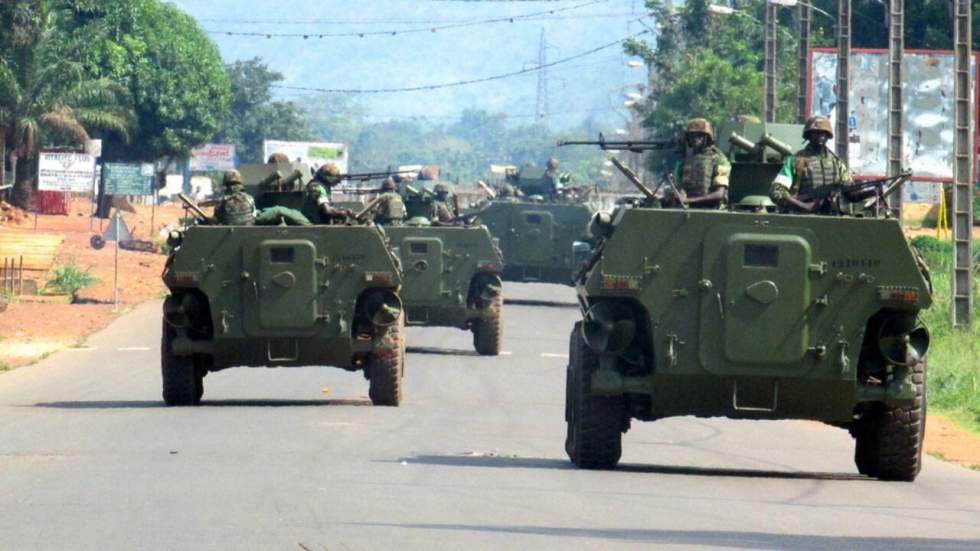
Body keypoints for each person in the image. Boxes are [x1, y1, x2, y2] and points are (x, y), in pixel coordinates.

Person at [770, 115, 856, 214]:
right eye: (815, 133)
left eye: (824, 133)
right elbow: (776, 191)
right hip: (803, 218)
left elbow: (850, 191)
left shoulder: (837, 163)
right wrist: (804, 206)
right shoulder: (795, 161)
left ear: (828, 136)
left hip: (833, 218)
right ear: (808, 135)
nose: (820, 136)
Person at [668, 118, 731, 209]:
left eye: (700, 136)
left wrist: (689, 200)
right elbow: (680, 186)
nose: (695, 139)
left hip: (712, 211)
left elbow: (719, 194)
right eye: (692, 136)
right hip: (687, 209)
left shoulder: (719, 160)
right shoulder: (685, 161)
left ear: (707, 137)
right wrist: (681, 193)